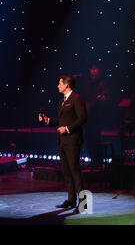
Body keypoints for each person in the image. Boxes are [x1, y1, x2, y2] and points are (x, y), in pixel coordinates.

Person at [39, 75, 87, 210]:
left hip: (72, 140)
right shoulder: (62, 101)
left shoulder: (77, 99)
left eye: (60, 83)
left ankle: (83, 203)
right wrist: (48, 121)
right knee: (66, 171)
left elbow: (83, 118)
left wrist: (67, 129)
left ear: (67, 85)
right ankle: (71, 200)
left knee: (75, 171)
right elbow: (62, 121)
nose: (58, 86)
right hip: (62, 141)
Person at [84, 65, 110, 166]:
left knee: (96, 137)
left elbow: (107, 97)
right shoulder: (87, 84)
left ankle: (98, 161)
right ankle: (93, 159)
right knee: (88, 137)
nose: (93, 73)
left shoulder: (102, 84)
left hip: (97, 114)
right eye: (92, 71)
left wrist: (103, 98)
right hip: (88, 114)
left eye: (95, 71)